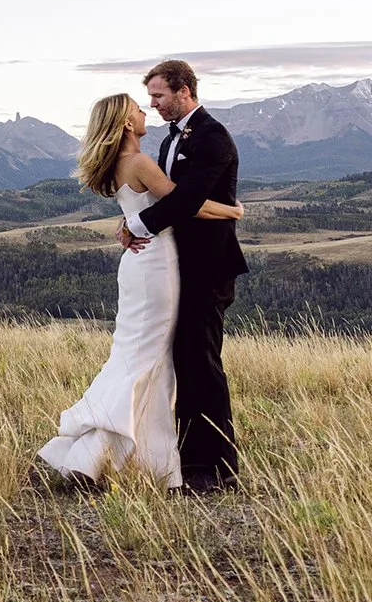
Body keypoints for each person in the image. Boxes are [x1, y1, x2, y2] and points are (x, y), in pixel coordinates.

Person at [38, 90, 243, 491]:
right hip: (156, 264)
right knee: (148, 357)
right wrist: (232, 210)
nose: (145, 109)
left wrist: (132, 224)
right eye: (138, 106)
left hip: (139, 262)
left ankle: (119, 455)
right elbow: (185, 203)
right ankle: (105, 455)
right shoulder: (141, 161)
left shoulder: (119, 163)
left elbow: (147, 210)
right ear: (128, 124)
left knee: (139, 354)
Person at [120, 59, 249, 493]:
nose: (152, 104)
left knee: (203, 363)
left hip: (209, 266)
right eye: (151, 97)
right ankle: (190, 460)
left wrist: (134, 226)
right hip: (178, 265)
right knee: (184, 362)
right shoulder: (171, 141)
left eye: (158, 96)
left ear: (184, 91)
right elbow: (166, 198)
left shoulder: (213, 138)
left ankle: (217, 468)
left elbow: (187, 200)